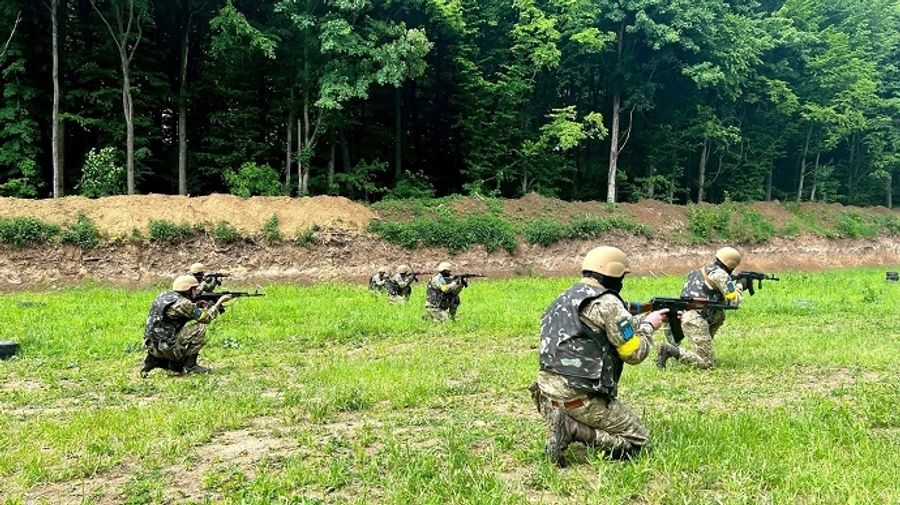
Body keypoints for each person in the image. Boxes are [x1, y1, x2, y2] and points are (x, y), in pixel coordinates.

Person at [530, 246, 669, 466]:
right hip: (580, 397)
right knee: (639, 443)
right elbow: (634, 353)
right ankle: (572, 429)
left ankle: (564, 421)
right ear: (614, 274)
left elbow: (600, 326)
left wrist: (642, 320)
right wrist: (649, 327)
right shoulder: (608, 303)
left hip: (547, 392)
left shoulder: (564, 297)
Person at [656, 246, 743, 370]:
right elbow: (734, 300)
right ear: (732, 265)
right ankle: (671, 351)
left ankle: (700, 351)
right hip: (697, 319)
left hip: (687, 315)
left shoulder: (697, 271)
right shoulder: (720, 274)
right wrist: (740, 285)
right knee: (706, 363)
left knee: (720, 315)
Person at [141, 275, 232, 376]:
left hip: (151, 344)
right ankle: (191, 366)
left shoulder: (165, 296)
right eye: (195, 289)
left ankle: (153, 359)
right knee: (200, 328)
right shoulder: (183, 303)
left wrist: (196, 306)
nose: (197, 291)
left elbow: (175, 314)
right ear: (188, 290)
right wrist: (219, 303)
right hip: (166, 346)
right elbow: (206, 318)